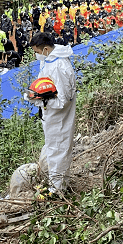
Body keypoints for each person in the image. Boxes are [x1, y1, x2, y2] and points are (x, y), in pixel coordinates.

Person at [28, 32, 77, 195]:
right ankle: (55, 184)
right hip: (50, 116)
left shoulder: (59, 66)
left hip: (59, 118)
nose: (36, 55)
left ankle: (58, 190)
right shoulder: (50, 60)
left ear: (46, 49)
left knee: (59, 150)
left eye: (37, 51)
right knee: (53, 150)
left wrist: (38, 100)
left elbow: (63, 100)